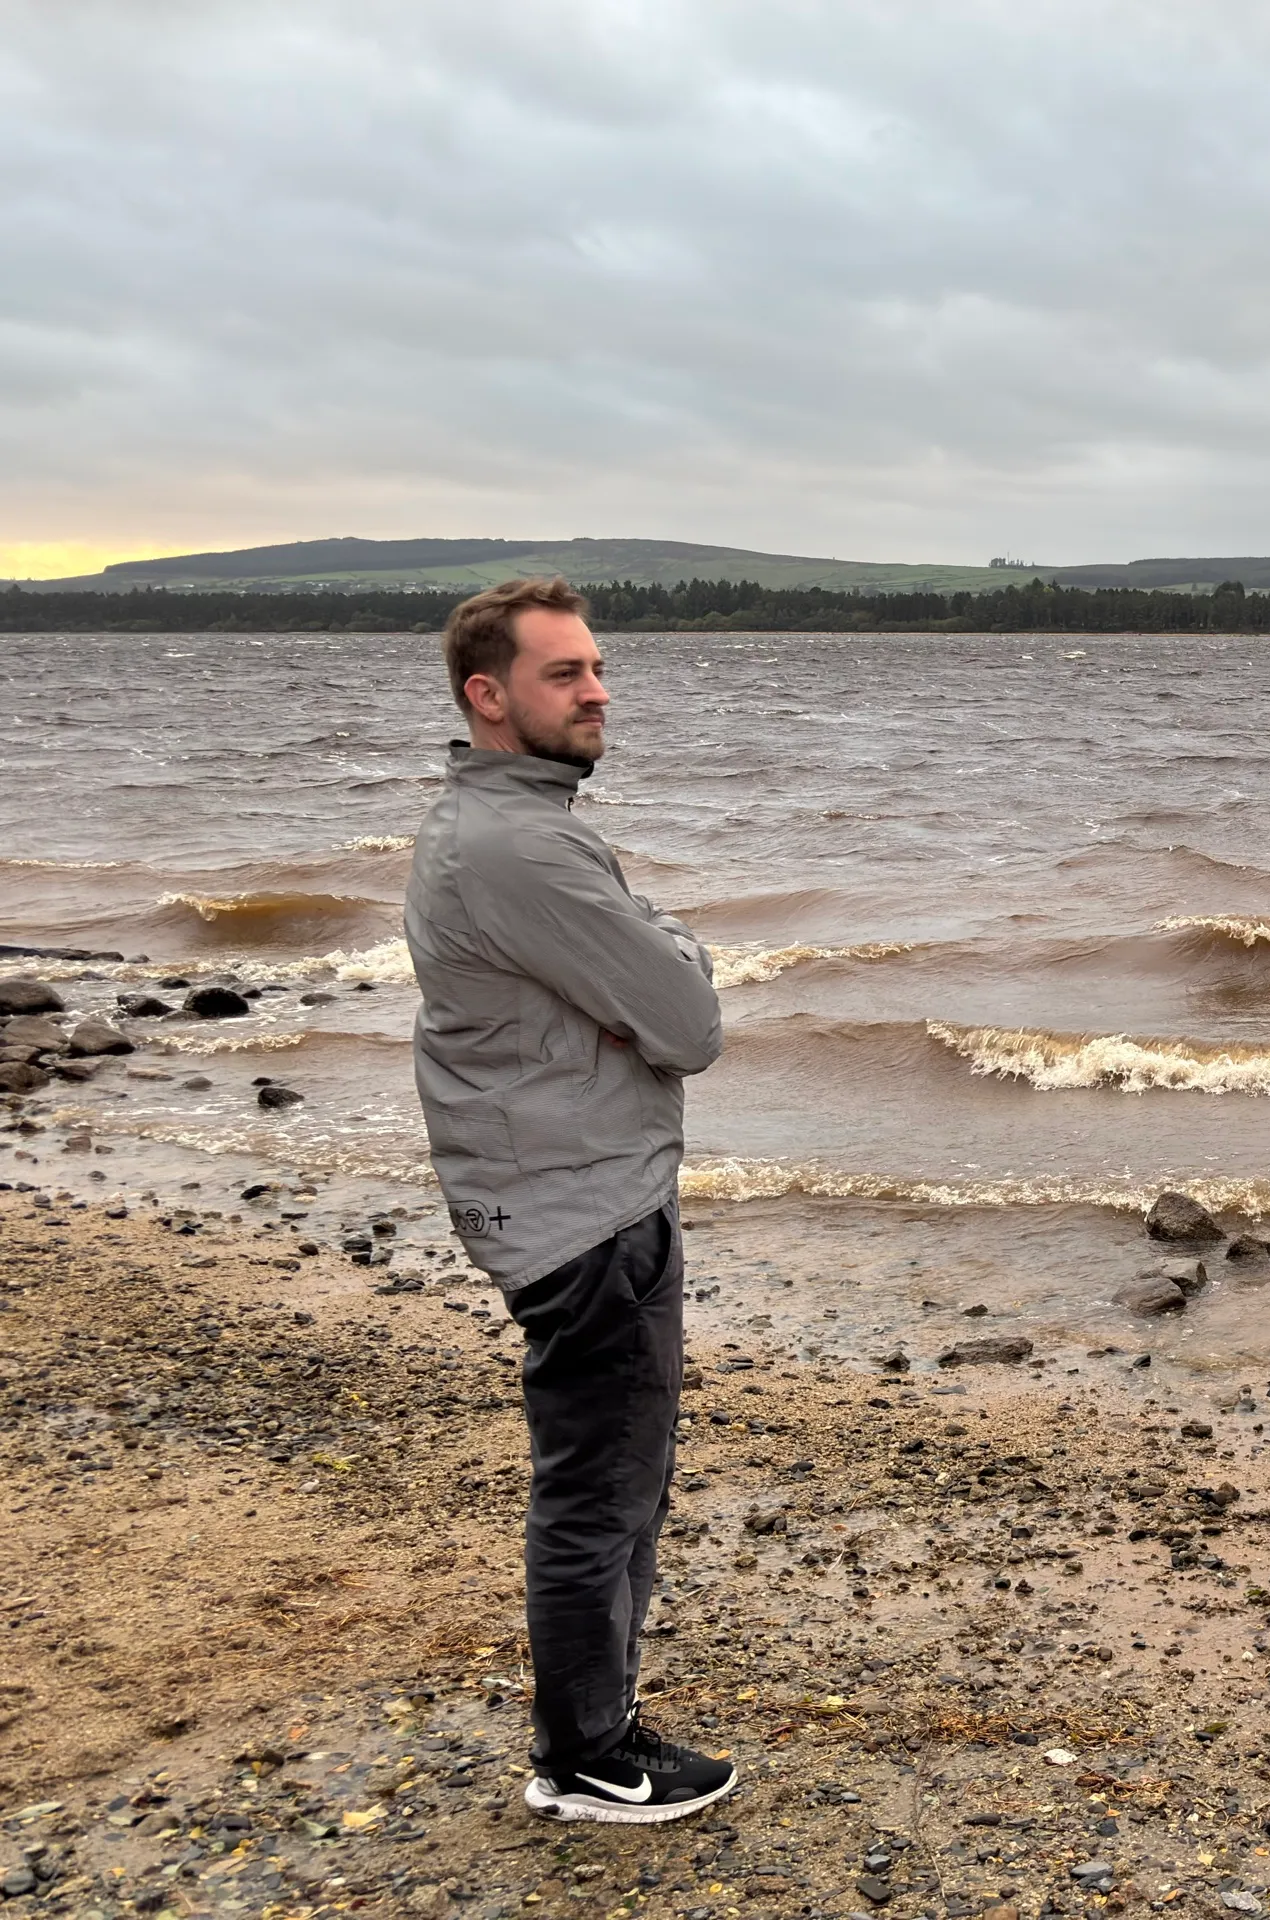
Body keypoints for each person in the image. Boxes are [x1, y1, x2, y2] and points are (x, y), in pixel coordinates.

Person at [404, 576, 735, 1823]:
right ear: (488, 696)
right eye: (564, 674)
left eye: (597, 668)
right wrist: (671, 948)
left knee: (611, 1477)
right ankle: (588, 1755)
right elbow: (690, 1020)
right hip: (578, 1212)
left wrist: (649, 954)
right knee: (601, 1487)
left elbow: (641, 987)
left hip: (569, 1193)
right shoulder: (521, 845)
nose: (597, 691)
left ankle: (595, 1734)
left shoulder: (502, 830)